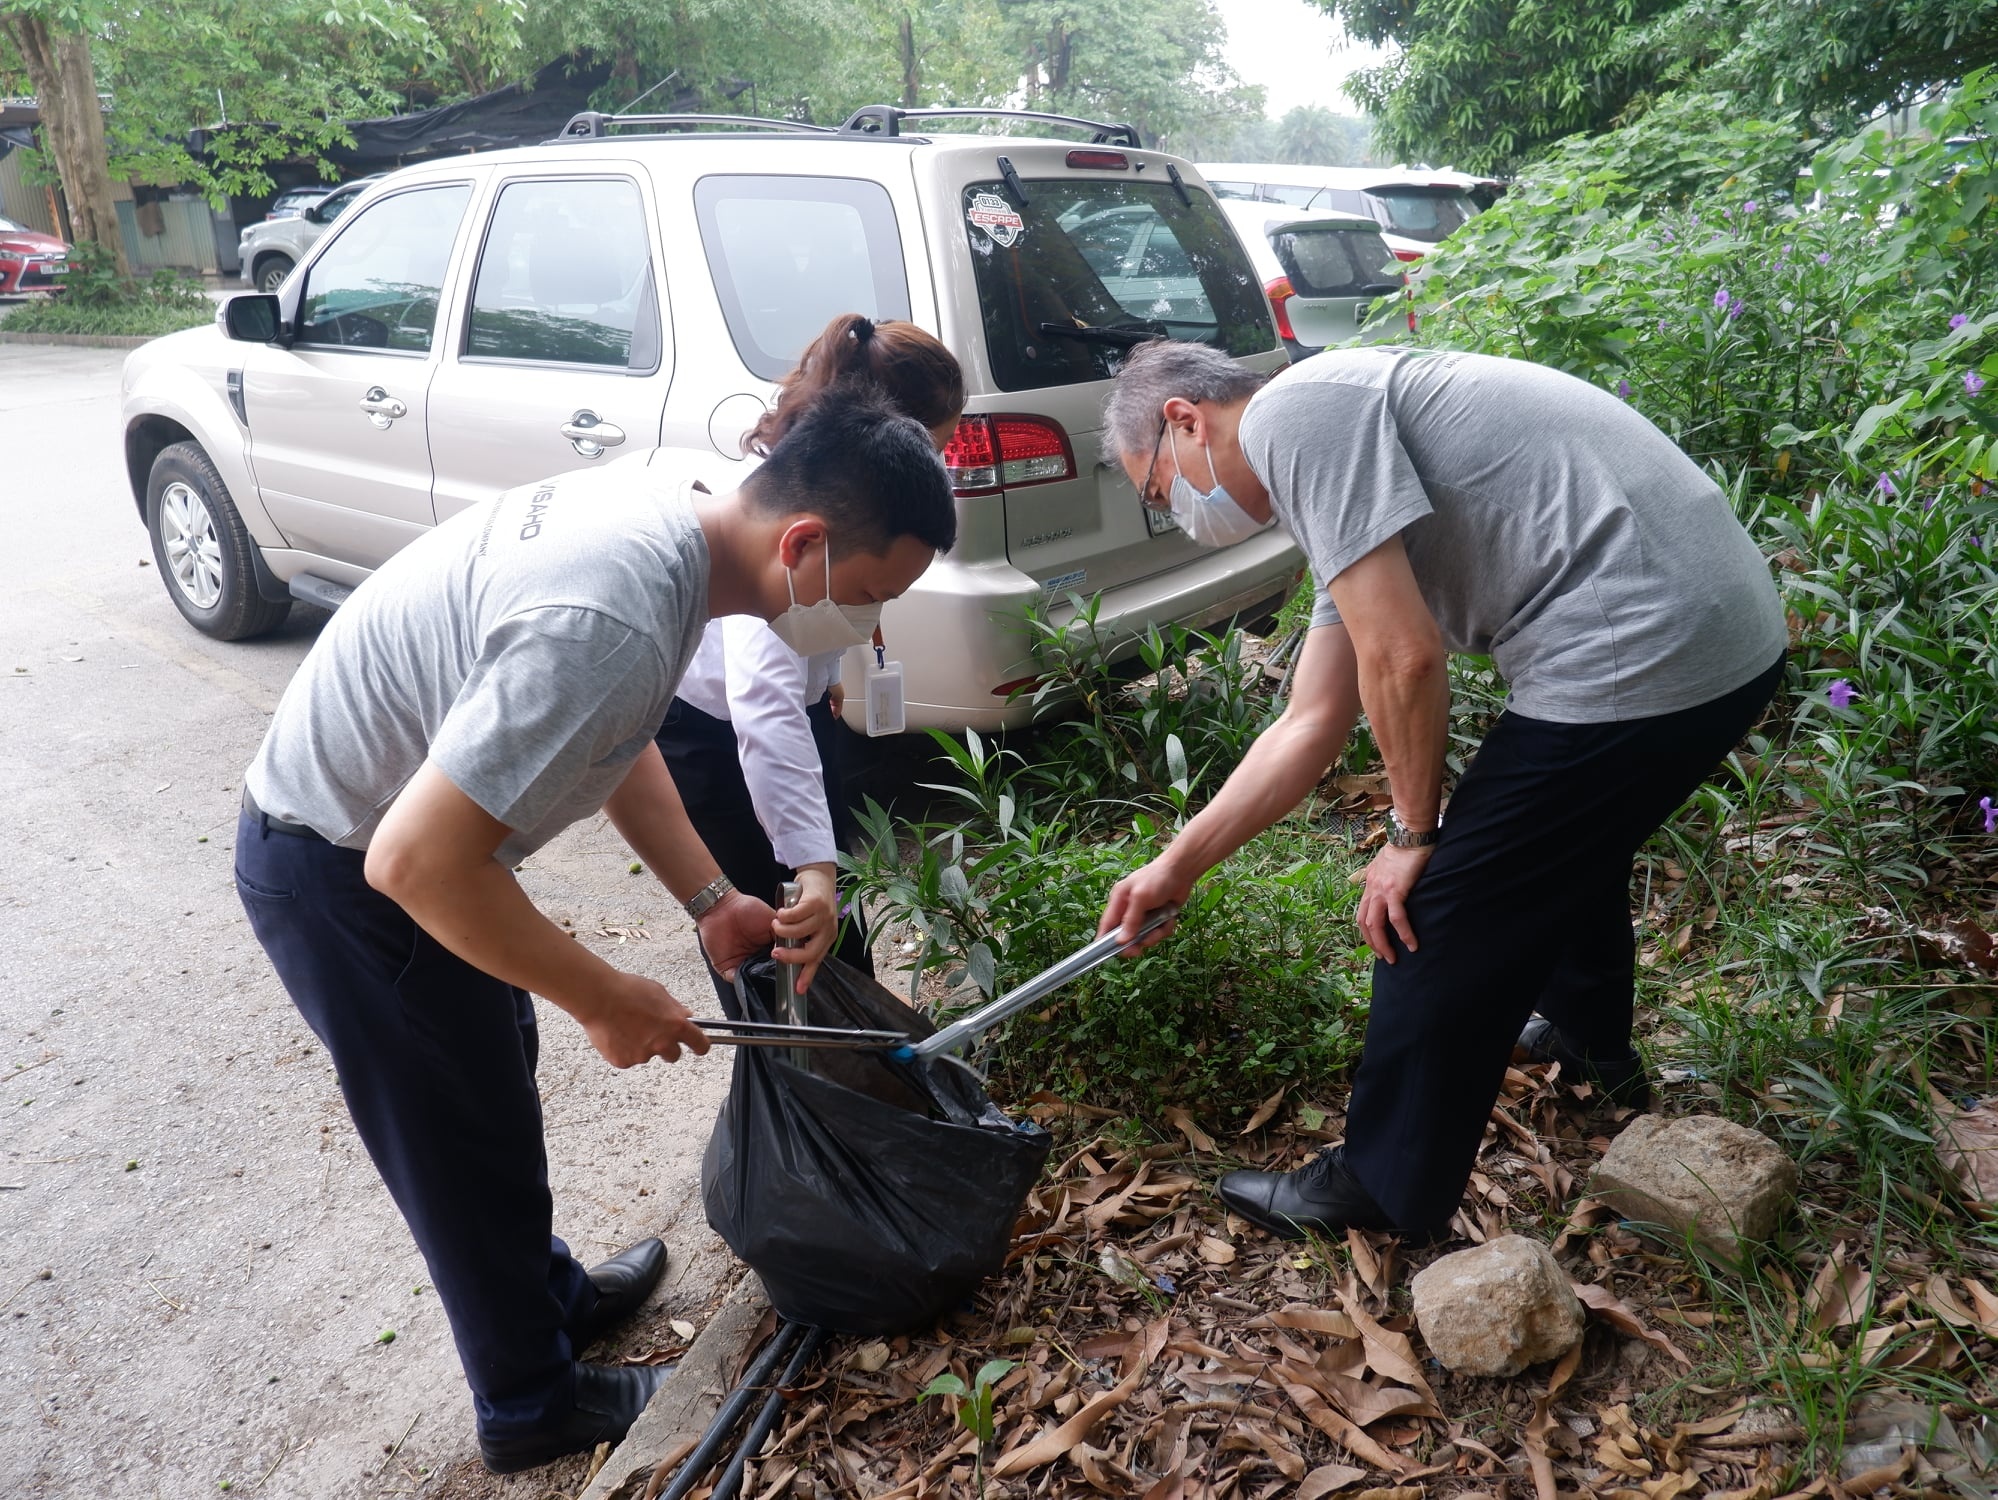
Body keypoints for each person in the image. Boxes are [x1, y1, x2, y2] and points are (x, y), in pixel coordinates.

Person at [233, 390, 956, 1473]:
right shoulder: (613, 613)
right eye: (866, 595)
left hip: (397, 845)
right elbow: (415, 864)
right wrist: (606, 998)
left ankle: (553, 1299)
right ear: (803, 542)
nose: (864, 625)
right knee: (452, 1130)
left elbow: (620, 738)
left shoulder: (676, 534)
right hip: (340, 862)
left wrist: (713, 902)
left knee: (490, 1079)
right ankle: (529, 1400)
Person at [1095, 340, 1786, 1240]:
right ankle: (1591, 1047)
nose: (1179, 513)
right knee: (1564, 831)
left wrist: (1415, 837)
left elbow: (1405, 656)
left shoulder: (1292, 418)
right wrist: (1177, 865)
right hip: (1720, 636)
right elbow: (1311, 721)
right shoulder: (1337, 454)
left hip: (1645, 638)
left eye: (1159, 490)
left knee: (1439, 909)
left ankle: (1381, 1187)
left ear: (1183, 419)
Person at [656, 314, 965, 1006]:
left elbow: (805, 657)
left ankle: (857, 1062)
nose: (935, 471)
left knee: (836, 926)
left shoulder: (825, 504)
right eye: (932, 449)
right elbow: (761, 708)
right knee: (774, 942)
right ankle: (804, 1086)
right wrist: (813, 869)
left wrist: (824, 679)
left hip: (785, 718)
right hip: (714, 738)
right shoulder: (782, 519)